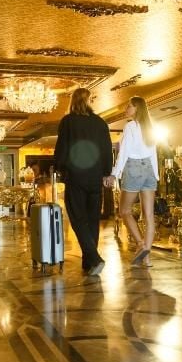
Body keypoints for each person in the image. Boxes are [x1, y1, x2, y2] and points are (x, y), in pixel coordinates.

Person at [55, 88, 113, 276]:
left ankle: (94, 259)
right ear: (89, 101)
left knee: (78, 218)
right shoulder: (100, 122)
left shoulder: (68, 121)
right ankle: (89, 263)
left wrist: (59, 167)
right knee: (92, 220)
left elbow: (62, 147)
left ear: (73, 101)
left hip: (76, 176)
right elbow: (107, 150)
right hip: (95, 177)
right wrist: (107, 172)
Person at [105, 96, 158, 268]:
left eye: (129, 106)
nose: (126, 109)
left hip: (134, 168)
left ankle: (141, 244)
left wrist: (114, 174)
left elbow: (124, 153)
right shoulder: (150, 128)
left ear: (137, 109)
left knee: (124, 211)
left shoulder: (130, 126)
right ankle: (147, 258)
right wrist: (156, 176)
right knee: (149, 216)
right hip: (149, 169)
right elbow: (154, 154)